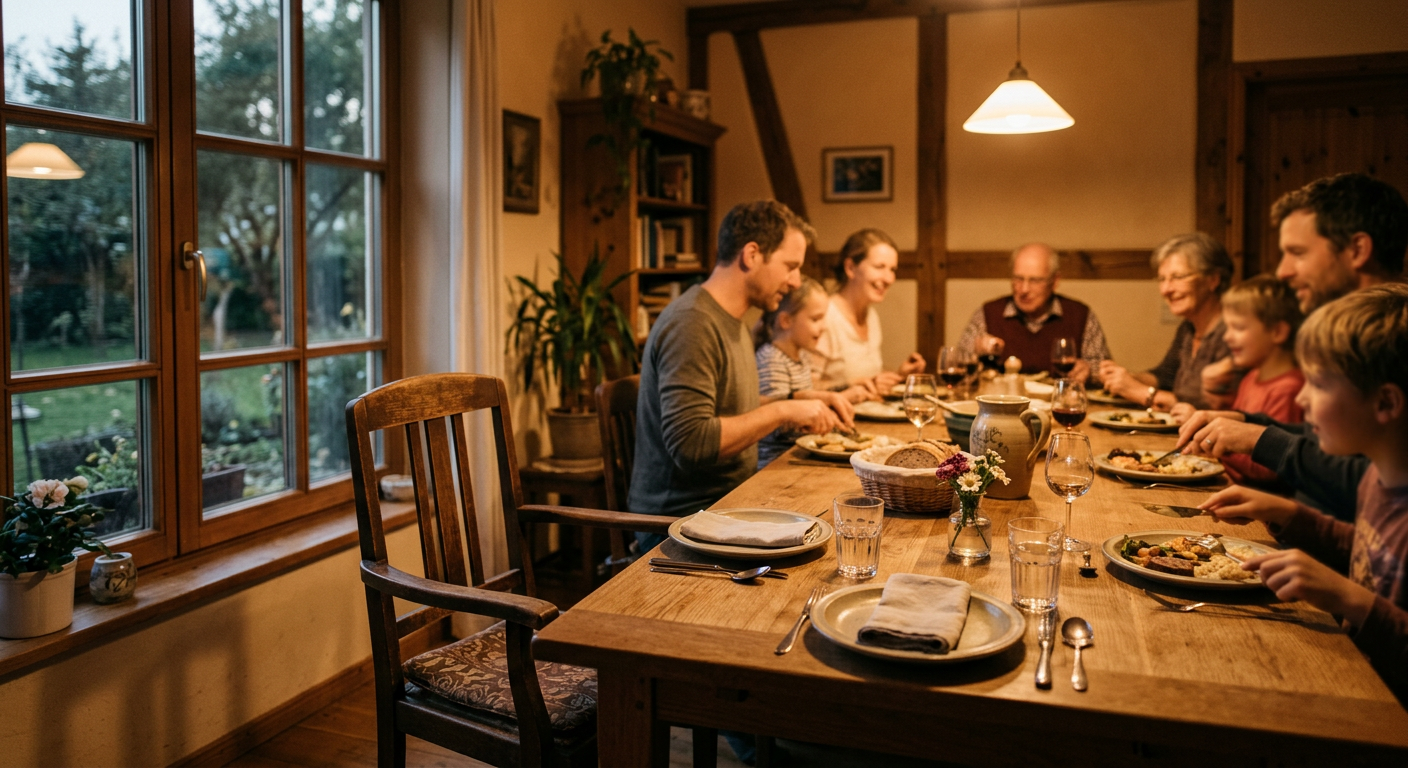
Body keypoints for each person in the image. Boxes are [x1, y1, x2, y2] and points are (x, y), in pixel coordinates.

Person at [1199, 284, 1408, 703]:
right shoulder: (1377, 477)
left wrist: (1348, 598)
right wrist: (1288, 514)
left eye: (1319, 383)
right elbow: (1370, 552)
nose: (1301, 397)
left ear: (1385, 402)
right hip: (1352, 674)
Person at [1179, 173, 1407, 518]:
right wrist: (1244, 421)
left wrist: (1261, 440)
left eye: (1297, 253)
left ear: (1358, 250)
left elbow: (1381, 483)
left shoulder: (1395, 336)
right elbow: (1327, 441)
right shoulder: (1348, 330)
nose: (1283, 271)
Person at [630, 200, 849, 535]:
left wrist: (798, 400)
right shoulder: (692, 323)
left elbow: (730, 409)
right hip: (684, 522)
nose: (795, 281)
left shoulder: (730, 320)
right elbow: (692, 443)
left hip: (732, 501)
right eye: (790, 266)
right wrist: (782, 411)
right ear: (751, 255)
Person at [1170, 275, 1303, 485]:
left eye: (1238, 328)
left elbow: (1271, 469)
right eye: (1227, 327)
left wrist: (1219, 446)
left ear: (1278, 332)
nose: (1227, 337)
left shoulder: (1288, 389)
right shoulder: (1251, 378)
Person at [1099, 233, 1241, 411]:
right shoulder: (1188, 328)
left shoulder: (1234, 332)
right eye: (1162, 279)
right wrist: (1125, 378)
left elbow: (1217, 409)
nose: (1166, 289)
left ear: (1213, 280)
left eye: (1178, 277)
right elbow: (1164, 376)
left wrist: (1139, 392)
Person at [957, 242, 1110, 382]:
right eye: (1018, 279)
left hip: (1058, 400)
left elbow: (1106, 371)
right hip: (1002, 402)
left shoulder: (1080, 315)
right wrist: (976, 352)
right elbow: (957, 367)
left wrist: (1089, 371)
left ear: (1054, 281)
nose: (1024, 289)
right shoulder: (989, 313)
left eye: (1035, 280)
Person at [754, 277, 862, 467]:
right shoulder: (771, 358)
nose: (824, 327)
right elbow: (774, 426)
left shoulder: (802, 356)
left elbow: (806, 403)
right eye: (815, 319)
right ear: (786, 321)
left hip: (800, 453)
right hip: (776, 461)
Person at [812, 228, 926, 395]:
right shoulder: (825, 316)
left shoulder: (871, 316)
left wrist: (899, 375)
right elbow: (805, 387)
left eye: (892, 269)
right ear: (850, 268)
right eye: (879, 267)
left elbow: (868, 379)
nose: (889, 279)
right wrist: (852, 384)